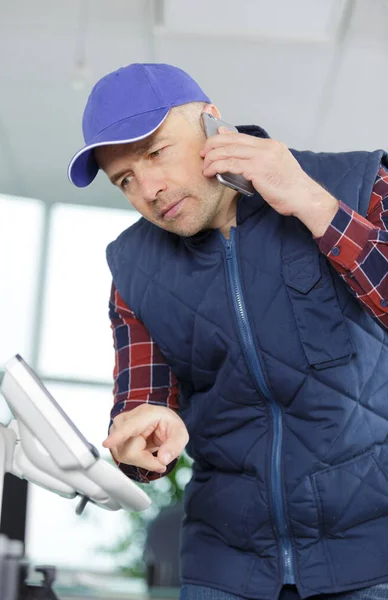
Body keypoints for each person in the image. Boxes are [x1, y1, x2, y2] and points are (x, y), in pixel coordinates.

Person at [67, 63, 388, 600]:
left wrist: (312, 204)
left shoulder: (358, 183)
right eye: (125, 180)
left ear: (212, 124)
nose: (149, 188)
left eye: (155, 152)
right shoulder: (132, 267)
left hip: (372, 553)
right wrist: (139, 444)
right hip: (226, 567)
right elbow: (142, 410)